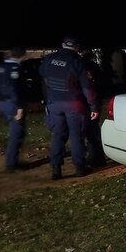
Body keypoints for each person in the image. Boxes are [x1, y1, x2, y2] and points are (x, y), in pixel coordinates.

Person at [39, 36, 98, 180]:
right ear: (77, 47)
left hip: (54, 104)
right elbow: (87, 88)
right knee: (76, 136)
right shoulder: (77, 63)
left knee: (58, 136)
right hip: (74, 104)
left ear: (62, 45)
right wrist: (94, 106)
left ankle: (56, 169)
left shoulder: (48, 59)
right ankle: (80, 168)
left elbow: (42, 76)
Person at [0, 47, 28, 172]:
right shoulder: (14, 68)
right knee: (16, 134)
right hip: (13, 104)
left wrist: (0, 100)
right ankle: (11, 164)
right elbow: (13, 89)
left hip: (3, 103)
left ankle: (14, 161)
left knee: (17, 132)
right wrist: (19, 107)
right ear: (22, 55)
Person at [80, 48, 106, 168]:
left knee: (88, 132)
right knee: (94, 132)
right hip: (93, 101)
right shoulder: (93, 66)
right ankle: (99, 158)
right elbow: (101, 83)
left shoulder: (80, 67)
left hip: (85, 103)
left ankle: (92, 158)